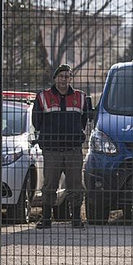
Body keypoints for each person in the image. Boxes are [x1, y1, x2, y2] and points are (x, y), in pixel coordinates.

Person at [33, 64, 89, 229]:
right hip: (52, 150)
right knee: (49, 184)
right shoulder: (43, 97)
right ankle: (46, 218)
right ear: (55, 78)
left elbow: (84, 120)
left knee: (76, 185)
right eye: (61, 76)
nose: (64, 79)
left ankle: (76, 218)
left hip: (73, 150)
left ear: (70, 78)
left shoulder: (80, 97)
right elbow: (37, 122)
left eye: (67, 76)